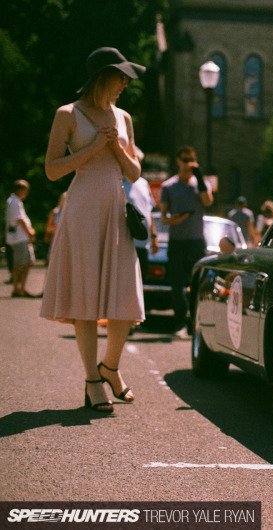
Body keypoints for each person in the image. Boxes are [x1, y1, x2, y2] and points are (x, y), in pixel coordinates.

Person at [40, 46, 146, 413]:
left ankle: (110, 367)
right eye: (121, 78)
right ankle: (91, 379)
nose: (125, 85)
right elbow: (52, 170)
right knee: (84, 297)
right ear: (103, 77)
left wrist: (115, 147)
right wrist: (95, 146)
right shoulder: (67, 114)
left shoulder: (124, 117)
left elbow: (135, 173)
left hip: (116, 208)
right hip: (83, 206)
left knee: (126, 298)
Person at [160, 145, 213, 339]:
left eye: (192, 160)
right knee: (177, 284)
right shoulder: (169, 186)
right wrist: (173, 220)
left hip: (196, 240)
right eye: (185, 160)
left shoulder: (201, 183)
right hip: (177, 241)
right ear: (178, 161)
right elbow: (163, 216)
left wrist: (199, 177)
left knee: (198, 283)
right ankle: (180, 322)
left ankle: (196, 321)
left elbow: (208, 202)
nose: (189, 164)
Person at [124, 173, 159, 330]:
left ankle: (134, 319)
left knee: (140, 282)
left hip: (143, 243)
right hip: (127, 241)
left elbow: (149, 210)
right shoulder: (119, 181)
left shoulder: (144, 183)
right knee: (127, 282)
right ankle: (125, 319)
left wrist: (154, 236)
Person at [5, 180, 38, 297]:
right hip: (20, 238)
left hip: (21, 237)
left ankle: (20, 288)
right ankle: (18, 289)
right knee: (20, 263)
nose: (27, 192)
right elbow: (19, 219)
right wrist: (29, 232)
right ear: (20, 190)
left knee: (26, 262)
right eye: (26, 190)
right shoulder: (14, 202)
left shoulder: (15, 201)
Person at [44, 192, 67, 264]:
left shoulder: (72, 213)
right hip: (56, 241)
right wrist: (59, 227)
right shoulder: (55, 212)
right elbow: (48, 228)